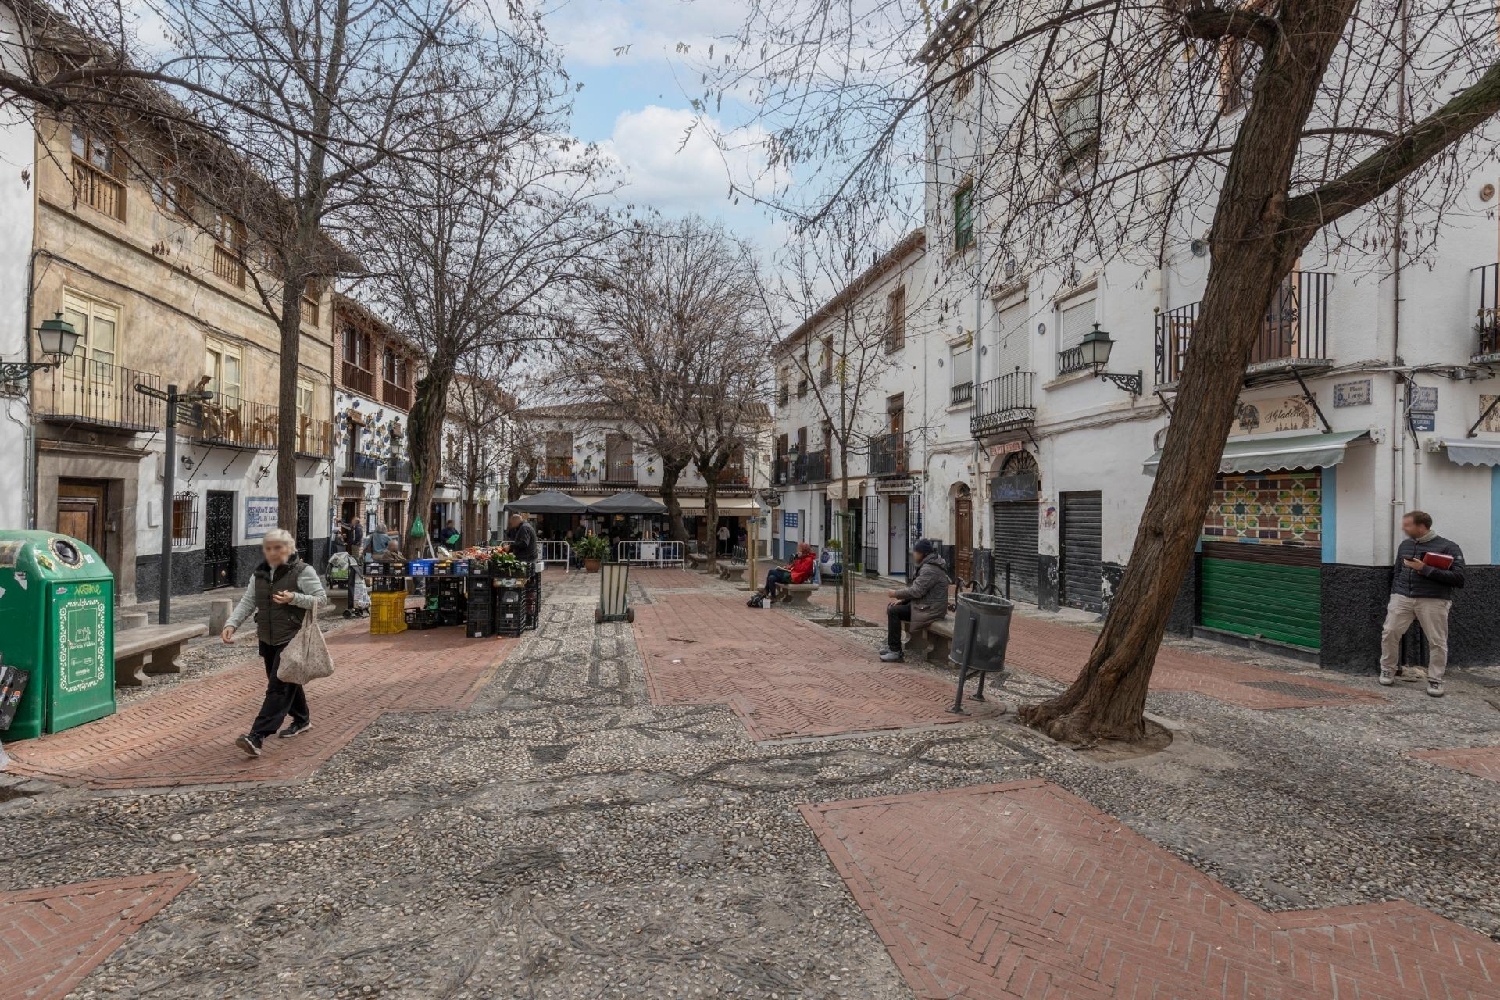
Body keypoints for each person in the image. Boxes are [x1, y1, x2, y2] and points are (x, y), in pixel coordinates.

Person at [221, 528, 327, 757]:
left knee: (277, 686)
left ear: (289, 548)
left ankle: (257, 736)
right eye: (268, 548)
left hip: (292, 636)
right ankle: (302, 719)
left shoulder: (303, 571)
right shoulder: (260, 574)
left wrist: (295, 598)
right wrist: (232, 623)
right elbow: (249, 601)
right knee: (286, 680)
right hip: (267, 636)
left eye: (278, 548)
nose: (272, 552)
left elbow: (321, 599)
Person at [1380, 510, 1464, 697]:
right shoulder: (1405, 545)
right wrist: (1395, 593)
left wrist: (1424, 569)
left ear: (1421, 526)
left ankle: (1435, 680)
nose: (1403, 528)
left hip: (1433, 600)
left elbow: (1459, 578)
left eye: (1407, 524)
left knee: (1437, 641)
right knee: (1390, 632)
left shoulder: (1448, 547)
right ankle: (1388, 668)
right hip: (1402, 597)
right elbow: (1398, 571)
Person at [881, 539, 949, 663]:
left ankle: (895, 651)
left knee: (894, 612)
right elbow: (919, 590)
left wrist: (896, 594)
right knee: (893, 608)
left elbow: (917, 591)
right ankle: (893, 647)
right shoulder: (928, 565)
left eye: (915, 552)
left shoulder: (929, 569)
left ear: (922, 553)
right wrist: (903, 601)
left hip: (931, 610)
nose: (913, 554)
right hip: (925, 605)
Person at [749, 542, 816, 606]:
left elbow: (800, 571)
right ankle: (773, 596)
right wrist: (785, 568)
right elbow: (792, 566)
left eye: (799, 550)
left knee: (771, 571)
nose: (797, 552)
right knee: (771, 578)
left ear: (804, 551)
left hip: (795, 578)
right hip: (791, 576)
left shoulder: (808, 560)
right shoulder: (801, 558)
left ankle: (766, 590)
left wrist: (788, 570)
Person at [507, 512, 541, 630]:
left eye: (512, 523)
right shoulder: (526, 526)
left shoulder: (524, 528)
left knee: (526, 590)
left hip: (526, 560)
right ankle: (527, 615)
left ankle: (527, 616)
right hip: (529, 560)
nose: (512, 526)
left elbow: (524, 543)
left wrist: (511, 547)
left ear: (516, 521)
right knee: (527, 590)